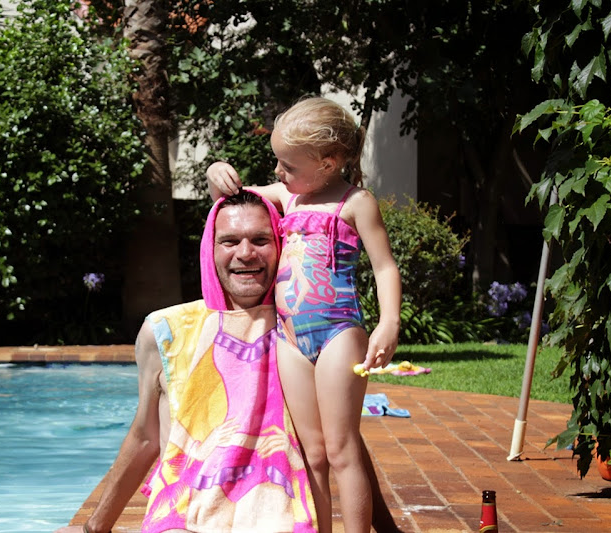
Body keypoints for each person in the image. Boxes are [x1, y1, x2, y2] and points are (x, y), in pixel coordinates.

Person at [56, 190, 400, 533]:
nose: (245, 253)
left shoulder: (295, 337)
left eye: (261, 240)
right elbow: (146, 435)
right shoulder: (167, 330)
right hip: (183, 521)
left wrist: (386, 529)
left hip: (275, 520)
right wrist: (94, 527)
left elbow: (343, 442)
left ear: (282, 247)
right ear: (210, 248)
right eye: (229, 241)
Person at [207, 97, 402, 533]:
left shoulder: (356, 202)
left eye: (288, 165)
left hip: (338, 334)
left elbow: (385, 267)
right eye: (277, 162)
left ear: (327, 164)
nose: (278, 172)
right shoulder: (287, 197)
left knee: (341, 449)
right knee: (311, 453)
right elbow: (232, 197)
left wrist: (389, 322)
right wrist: (215, 172)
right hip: (290, 339)